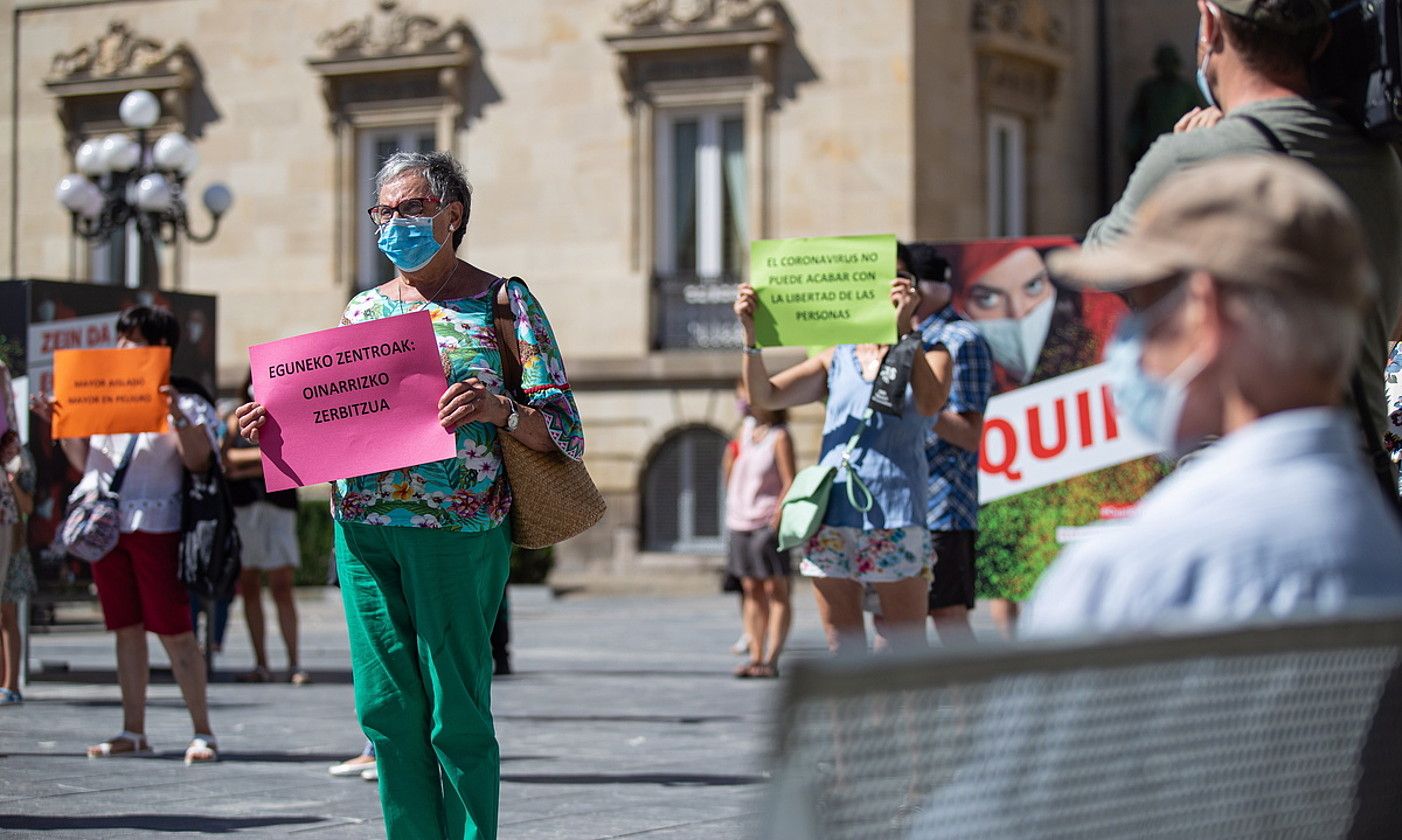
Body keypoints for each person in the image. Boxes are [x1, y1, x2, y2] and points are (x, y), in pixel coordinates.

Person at [237, 150, 583, 840]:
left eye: (411, 208)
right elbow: (331, 411)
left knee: (455, 711)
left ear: (452, 216)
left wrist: (498, 410)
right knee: (386, 711)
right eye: (384, 211)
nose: (394, 223)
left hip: (457, 531)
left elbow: (564, 430)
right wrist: (269, 420)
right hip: (362, 530)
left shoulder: (502, 301)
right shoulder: (362, 309)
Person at [1022, 156, 1402, 638]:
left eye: (1144, 305)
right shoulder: (1382, 546)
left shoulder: (1118, 580)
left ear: (1206, 312)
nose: (1129, 338)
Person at [1088, 0, 1402, 447]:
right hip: (1359, 471)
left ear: (1211, 25)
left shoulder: (1192, 156)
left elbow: (1100, 264)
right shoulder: (1379, 161)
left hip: (1248, 472)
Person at [31, 306, 220, 763]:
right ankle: (133, 729)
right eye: (120, 338)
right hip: (106, 528)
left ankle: (203, 732)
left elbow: (199, 462)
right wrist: (60, 422)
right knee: (126, 630)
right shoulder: (102, 394)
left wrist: (175, 413)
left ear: (159, 348)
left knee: (175, 632)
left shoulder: (189, 402)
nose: (120, 348)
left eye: (131, 339)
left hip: (156, 526)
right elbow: (84, 462)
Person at [733, 275, 952, 655]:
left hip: (896, 514)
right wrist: (752, 338)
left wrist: (904, 334)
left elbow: (931, 403)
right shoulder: (837, 356)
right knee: (842, 643)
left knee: (904, 644)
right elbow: (764, 396)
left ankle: (896, 715)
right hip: (833, 515)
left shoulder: (933, 352)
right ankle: (854, 716)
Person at [905, 243, 993, 644]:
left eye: (908, 278)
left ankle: (971, 706)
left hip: (943, 504)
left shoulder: (962, 339)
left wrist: (923, 401)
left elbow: (970, 434)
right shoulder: (900, 337)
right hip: (901, 502)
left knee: (946, 614)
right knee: (898, 619)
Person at [225, 372, 307, 685]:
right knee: (249, 585)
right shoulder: (235, 418)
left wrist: (244, 466)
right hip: (244, 508)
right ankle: (261, 663)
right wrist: (263, 459)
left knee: (282, 585)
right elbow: (225, 458)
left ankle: (294, 663)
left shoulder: (287, 416)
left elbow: (292, 457)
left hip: (279, 505)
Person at [722, 389, 796, 678]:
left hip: (767, 522)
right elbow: (730, 469)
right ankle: (755, 654)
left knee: (775, 588)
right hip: (740, 520)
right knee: (750, 588)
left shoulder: (780, 436)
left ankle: (772, 657)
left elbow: (790, 479)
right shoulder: (745, 430)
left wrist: (779, 514)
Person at [1, 426, 36, 706]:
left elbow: (27, 506)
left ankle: (10, 684)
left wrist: (10, 479)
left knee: (7, 614)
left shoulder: (18, 457)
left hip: (10, 541)